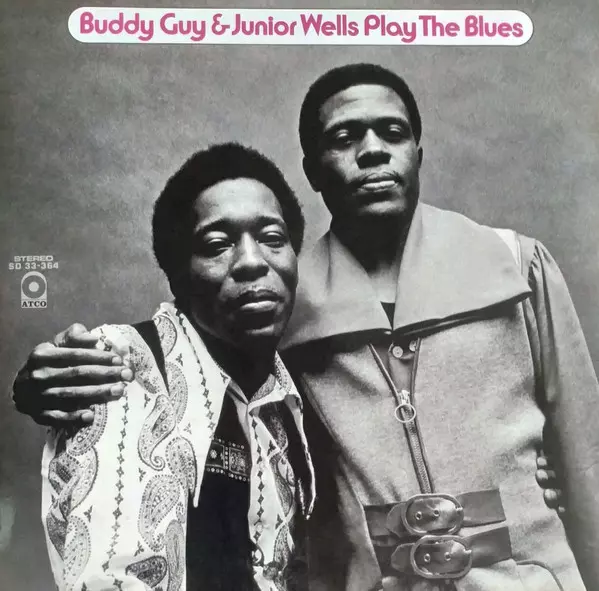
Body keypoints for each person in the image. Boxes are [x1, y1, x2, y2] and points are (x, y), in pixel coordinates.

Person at [13, 64, 596, 591]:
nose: (373, 152)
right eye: (344, 138)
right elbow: (184, 370)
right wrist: (47, 382)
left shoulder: (514, 266)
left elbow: (586, 456)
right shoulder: (275, 308)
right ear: (314, 170)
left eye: (392, 133)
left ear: (419, 152)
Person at [28, 143, 315, 591]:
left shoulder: (284, 400)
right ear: (178, 275)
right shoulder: (123, 364)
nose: (252, 261)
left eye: (273, 239)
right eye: (217, 245)